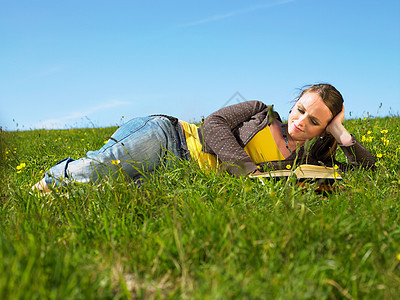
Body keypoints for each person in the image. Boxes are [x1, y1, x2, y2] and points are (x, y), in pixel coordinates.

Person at [32, 83, 375, 192]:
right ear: (294, 103)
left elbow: (368, 168)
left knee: (117, 190)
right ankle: (46, 182)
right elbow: (213, 124)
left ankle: (62, 185)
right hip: (172, 138)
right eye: (300, 109)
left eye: (315, 121)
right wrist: (244, 168)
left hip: (183, 173)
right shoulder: (259, 111)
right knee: (99, 172)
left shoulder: (306, 160)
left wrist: (340, 131)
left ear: (323, 128)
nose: (301, 122)